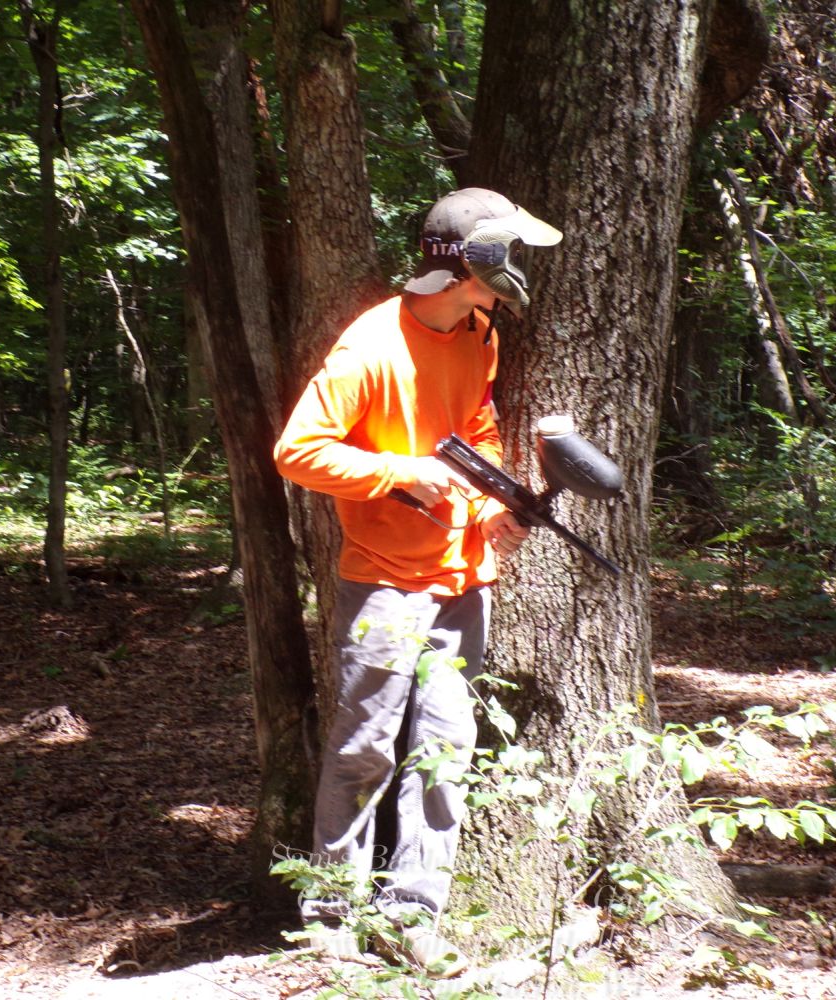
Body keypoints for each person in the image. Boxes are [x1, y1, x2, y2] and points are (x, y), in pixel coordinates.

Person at [273, 188, 562, 977]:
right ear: (471, 263)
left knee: (445, 751)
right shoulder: (369, 346)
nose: (516, 269)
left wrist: (491, 504)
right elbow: (298, 453)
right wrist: (401, 472)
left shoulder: (478, 336)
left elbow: (476, 430)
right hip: (384, 580)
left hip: (463, 577)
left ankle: (412, 917)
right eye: (507, 253)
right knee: (364, 746)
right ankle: (331, 914)